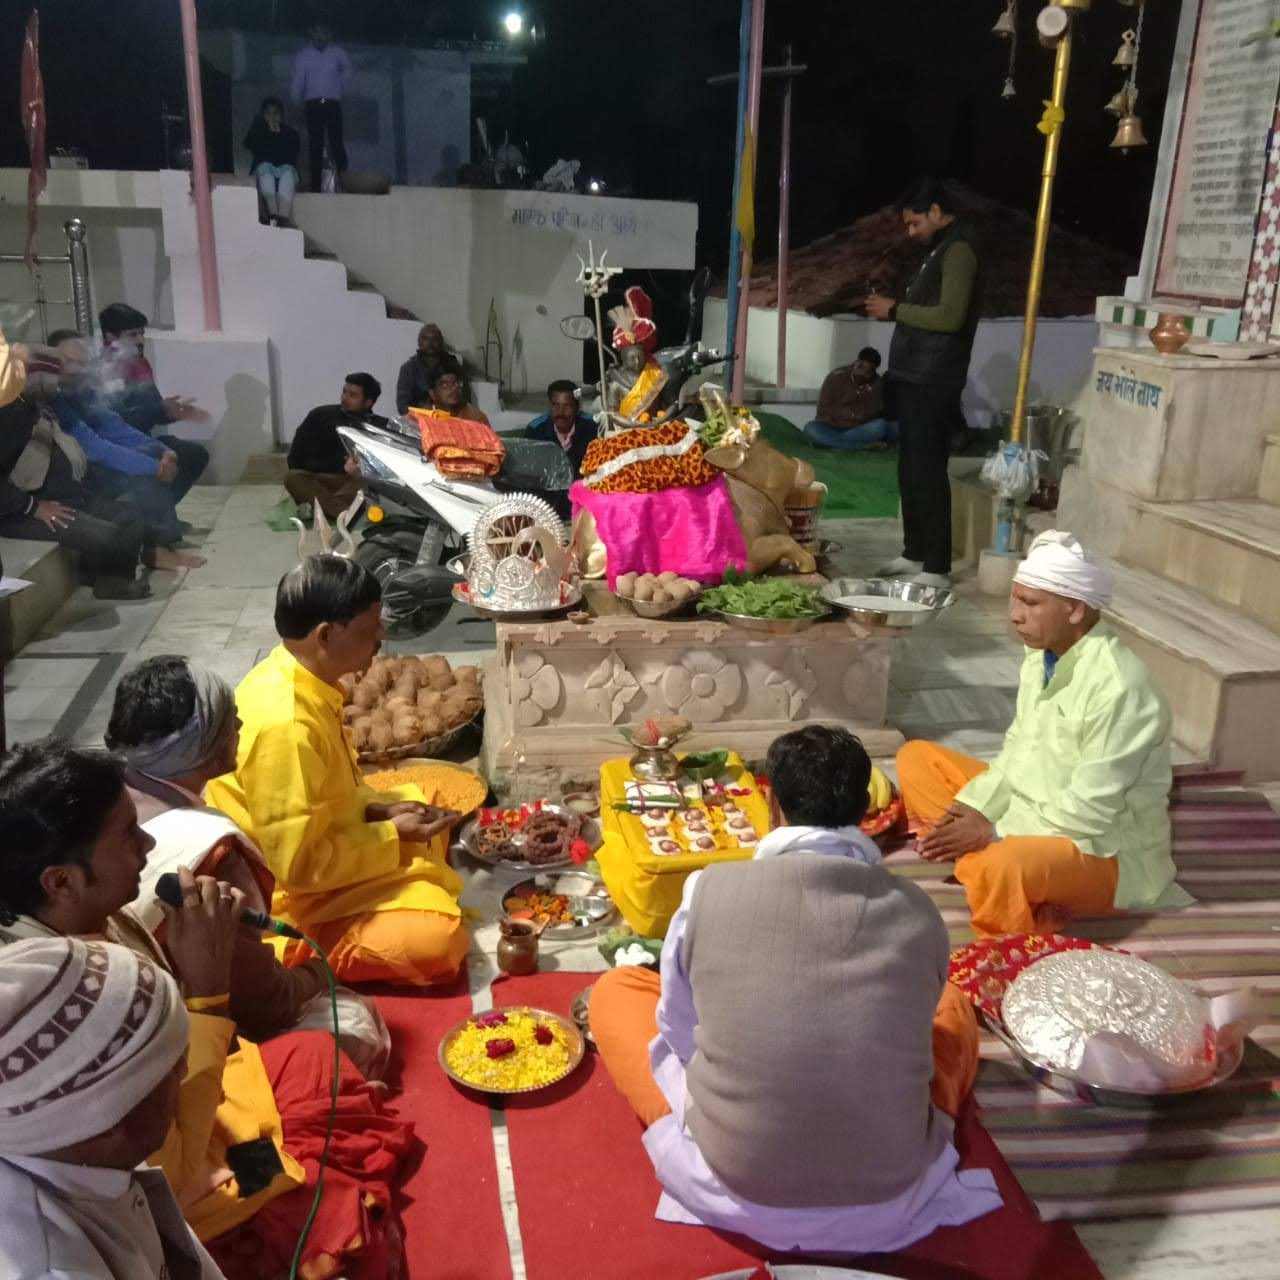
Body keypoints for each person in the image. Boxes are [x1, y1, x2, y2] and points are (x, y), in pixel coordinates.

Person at [0, 741, 413, 1277]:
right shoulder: (41, 1002)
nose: (149, 842)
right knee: (330, 1215)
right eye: (128, 835)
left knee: (317, 1055)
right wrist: (207, 991)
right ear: (61, 881)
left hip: (202, 1103)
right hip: (176, 1162)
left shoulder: (97, 913)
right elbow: (155, 1156)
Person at [590, 725, 1001, 1253]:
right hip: (890, 1189)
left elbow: (679, 1029)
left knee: (618, 990)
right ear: (863, 813)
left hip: (737, 1181)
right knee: (952, 1008)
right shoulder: (918, 911)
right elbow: (910, 1030)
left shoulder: (709, 888)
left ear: (772, 804)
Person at [897, 531, 1192, 938]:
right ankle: (992, 874)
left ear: (1074, 610)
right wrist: (978, 807)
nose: (1015, 614)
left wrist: (992, 831)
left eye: (1030, 603)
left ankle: (1004, 917)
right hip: (1031, 811)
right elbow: (1017, 750)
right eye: (1015, 599)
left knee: (1006, 863)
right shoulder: (1041, 654)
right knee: (917, 759)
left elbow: (1087, 813)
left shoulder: (1120, 687)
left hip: (1104, 853)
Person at [205, 557, 469, 986]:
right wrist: (391, 834)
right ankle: (300, 951)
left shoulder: (300, 675)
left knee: (422, 799)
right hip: (287, 895)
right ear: (326, 634)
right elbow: (299, 868)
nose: (381, 636)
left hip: (318, 845)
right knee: (436, 941)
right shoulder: (286, 725)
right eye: (370, 628)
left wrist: (381, 812)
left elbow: (334, 792)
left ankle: (405, 877)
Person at [0, 935, 225, 1280]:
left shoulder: (71, 1144)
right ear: (111, 1121)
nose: (184, 1071)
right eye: (173, 1066)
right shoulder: (56, 1269)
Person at [867, 179, 982, 589]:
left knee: (929, 470)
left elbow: (949, 317)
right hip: (914, 375)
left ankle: (937, 566)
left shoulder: (959, 251)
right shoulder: (937, 250)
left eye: (915, 223)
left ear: (936, 211)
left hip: (934, 378)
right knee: (910, 468)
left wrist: (895, 309)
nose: (911, 232)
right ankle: (915, 552)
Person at [48, 330, 205, 571]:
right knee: (145, 473)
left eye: (81, 362)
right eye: (69, 362)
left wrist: (163, 451)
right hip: (74, 476)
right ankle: (157, 548)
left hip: (100, 460)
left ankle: (160, 525)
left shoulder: (82, 391)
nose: (76, 369)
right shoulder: (54, 399)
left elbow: (116, 428)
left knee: (175, 456)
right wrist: (154, 466)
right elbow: (95, 447)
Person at [0, 357, 151, 600]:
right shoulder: (9, 416)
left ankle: (112, 579)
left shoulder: (42, 409)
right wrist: (32, 506)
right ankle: (106, 580)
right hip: (22, 511)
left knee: (130, 516)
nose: (58, 388)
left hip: (66, 496)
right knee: (102, 534)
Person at [98, 303, 211, 497]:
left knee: (193, 454)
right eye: (133, 335)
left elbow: (153, 408)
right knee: (157, 459)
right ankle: (149, 519)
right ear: (110, 337)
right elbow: (114, 422)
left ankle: (158, 515)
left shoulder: (140, 365)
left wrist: (176, 412)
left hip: (142, 439)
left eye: (142, 334)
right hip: (115, 445)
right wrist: (159, 408)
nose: (141, 340)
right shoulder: (102, 371)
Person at [285, 372, 385, 520]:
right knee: (293, 478)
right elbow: (295, 457)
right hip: (320, 479)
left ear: (368, 402)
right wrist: (339, 465)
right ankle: (344, 513)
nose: (345, 398)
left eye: (353, 395)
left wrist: (359, 470)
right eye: (344, 392)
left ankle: (321, 508)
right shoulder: (320, 415)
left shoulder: (378, 427)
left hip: (353, 483)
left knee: (370, 486)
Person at [292, 24, 352, 192]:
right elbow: (298, 78)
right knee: (315, 145)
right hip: (312, 104)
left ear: (329, 34)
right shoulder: (304, 54)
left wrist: (340, 86)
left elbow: (348, 70)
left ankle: (344, 182)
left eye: (324, 32)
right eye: (316, 31)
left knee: (337, 143)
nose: (320, 35)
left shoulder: (338, 52)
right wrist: (295, 99)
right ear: (311, 33)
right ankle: (315, 186)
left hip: (332, 103)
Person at [803, 347, 899, 451]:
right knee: (810, 429)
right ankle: (861, 446)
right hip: (831, 425)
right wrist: (850, 414)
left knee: (880, 426)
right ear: (857, 362)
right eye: (861, 366)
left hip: (857, 429)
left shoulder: (876, 383)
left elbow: (871, 413)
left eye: (868, 371)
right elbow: (823, 408)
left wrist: (864, 393)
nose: (863, 373)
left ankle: (830, 443)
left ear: (873, 372)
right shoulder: (836, 376)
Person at [244, 95, 301, 226]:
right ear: (263, 114)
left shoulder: (290, 133)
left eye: (275, 113)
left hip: (284, 169)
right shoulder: (258, 131)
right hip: (264, 170)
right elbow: (251, 145)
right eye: (268, 113)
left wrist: (278, 134)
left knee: (288, 174)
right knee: (266, 172)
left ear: (281, 115)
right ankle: (273, 214)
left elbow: (291, 156)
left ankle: (283, 216)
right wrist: (265, 129)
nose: (272, 116)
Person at [525, 378, 598, 476]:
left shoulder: (592, 428)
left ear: (577, 408)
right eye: (555, 405)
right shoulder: (535, 431)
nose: (560, 412)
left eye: (567, 406)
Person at [395, 323, 465, 415]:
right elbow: (403, 406)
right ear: (419, 342)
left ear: (441, 342)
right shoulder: (408, 369)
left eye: (435, 339)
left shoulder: (453, 365)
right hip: (420, 421)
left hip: (453, 419)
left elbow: (465, 398)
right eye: (425, 338)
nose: (430, 343)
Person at [420, 365, 490, 425]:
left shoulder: (476, 419)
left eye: (456, 383)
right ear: (432, 393)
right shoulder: (422, 418)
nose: (454, 388)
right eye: (445, 385)